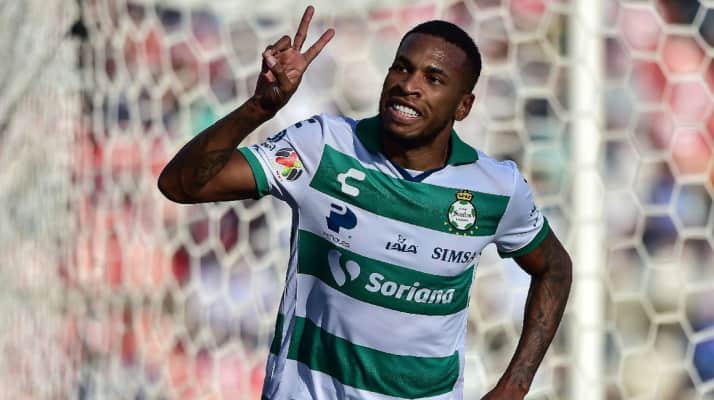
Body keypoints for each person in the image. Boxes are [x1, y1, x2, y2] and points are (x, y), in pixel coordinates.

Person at [158, 6, 572, 400]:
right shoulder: (322, 149)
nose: (408, 85)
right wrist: (259, 108)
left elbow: (554, 268)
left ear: (463, 106)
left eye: (433, 78)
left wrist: (515, 385)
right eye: (401, 67)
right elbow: (181, 185)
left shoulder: (495, 188)